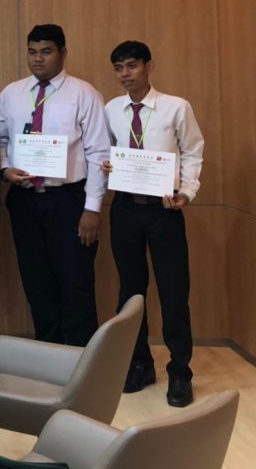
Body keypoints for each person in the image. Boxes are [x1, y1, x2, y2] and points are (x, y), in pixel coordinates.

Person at [0, 24, 109, 346]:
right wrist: (5, 169)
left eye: (46, 51)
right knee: (37, 281)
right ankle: (50, 351)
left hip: (69, 200)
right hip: (24, 199)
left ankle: (81, 356)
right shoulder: (12, 93)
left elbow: (99, 152)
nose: (38, 59)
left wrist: (92, 208)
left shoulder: (84, 93)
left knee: (75, 281)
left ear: (63, 53)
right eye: (32, 52)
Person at [103, 40, 204, 407]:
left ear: (149, 66)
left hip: (165, 212)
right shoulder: (111, 109)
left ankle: (180, 372)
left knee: (174, 292)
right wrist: (109, 165)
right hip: (125, 209)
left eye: (131, 66)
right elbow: (108, 150)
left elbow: (193, 151)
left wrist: (187, 193)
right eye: (118, 68)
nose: (125, 74)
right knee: (131, 293)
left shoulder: (176, 107)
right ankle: (139, 364)